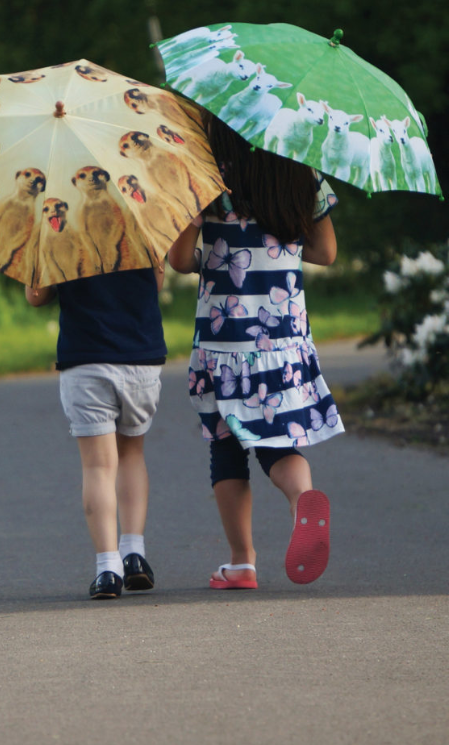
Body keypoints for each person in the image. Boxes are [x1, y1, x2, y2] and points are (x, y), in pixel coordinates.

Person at [168, 116, 342, 590]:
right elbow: (326, 251)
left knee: (226, 446)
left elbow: (180, 260)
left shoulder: (205, 175)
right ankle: (302, 496)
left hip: (223, 343)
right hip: (284, 339)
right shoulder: (300, 173)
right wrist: (279, 242)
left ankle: (242, 561)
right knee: (278, 440)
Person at [26, 265, 167, 598]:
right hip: (140, 355)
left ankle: (107, 569)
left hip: (85, 358)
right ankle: (134, 554)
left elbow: (37, 296)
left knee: (98, 467)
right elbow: (156, 283)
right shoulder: (145, 217)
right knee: (131, 454)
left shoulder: (59, 222)